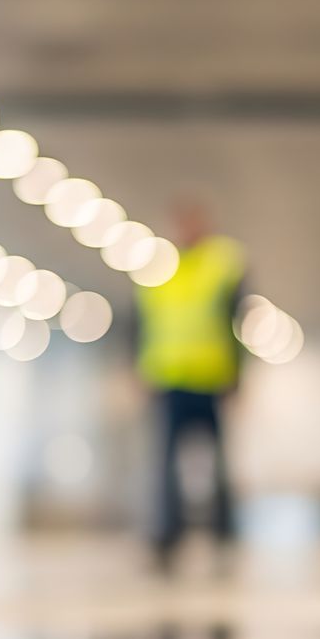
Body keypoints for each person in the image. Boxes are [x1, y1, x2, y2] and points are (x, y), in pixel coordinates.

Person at [132, 201, 246, 571]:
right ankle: (166, 535)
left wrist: (238, 375)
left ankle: (224, 535)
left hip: (212, 378)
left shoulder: (223, 263)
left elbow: (238, 319)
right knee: (165, 465)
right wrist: (138, 370)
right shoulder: (157, 268)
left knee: (217, 464)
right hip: (167, 379)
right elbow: (141, 321)